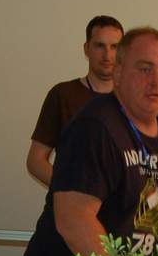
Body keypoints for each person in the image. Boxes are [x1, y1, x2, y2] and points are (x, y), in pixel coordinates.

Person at [15, 27, 158, 256]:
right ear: (118, 73)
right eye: (145, 69)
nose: (156, 81)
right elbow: (74, 220)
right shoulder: (93, 128)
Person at [26, 15, 124, 186]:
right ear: (86, 49)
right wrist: (70, 191)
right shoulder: (63, 95)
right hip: (69, 202)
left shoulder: (133, 100)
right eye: (99, 46)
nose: (107, 55)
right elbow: (35, 161)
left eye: (114, 47)